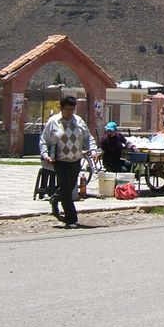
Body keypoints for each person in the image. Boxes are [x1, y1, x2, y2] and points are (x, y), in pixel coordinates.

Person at [40, 96, 98, 229]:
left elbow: (87, 137)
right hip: (60, 161)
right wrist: (45, 154)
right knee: (66, 191)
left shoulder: (78, 121)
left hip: (75, 160)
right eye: (67, 109)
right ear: (61, 108)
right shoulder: (53, 121)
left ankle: (54, 199)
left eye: (72, 109)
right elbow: (44, 139)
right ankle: (71, 218)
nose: (70, 112)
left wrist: (93, 150)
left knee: (69, 187)